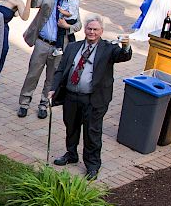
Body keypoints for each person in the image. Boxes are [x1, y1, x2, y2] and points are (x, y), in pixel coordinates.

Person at [48, 17, 134, 181]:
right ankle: (71, 154)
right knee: (71, 127)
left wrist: (126, 46)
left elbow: (123, 55)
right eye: (89, 29)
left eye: (95, 29)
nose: (92, 32)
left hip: (94, 100)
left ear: (101, 31)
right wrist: (53, 88)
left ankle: (92, 165)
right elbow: (61, 70)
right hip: (71, 96)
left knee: (92, 132)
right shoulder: (73, 47)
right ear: (85, 30)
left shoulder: (108, 48)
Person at [18, 0, 76, 119]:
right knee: (33, 74)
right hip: (42, 42)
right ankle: (24, 103)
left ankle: (44, 104)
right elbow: (34, 3)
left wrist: (68, 26)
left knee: (52, 77)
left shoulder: (71, 1)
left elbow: (79, 24)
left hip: (58, 46)